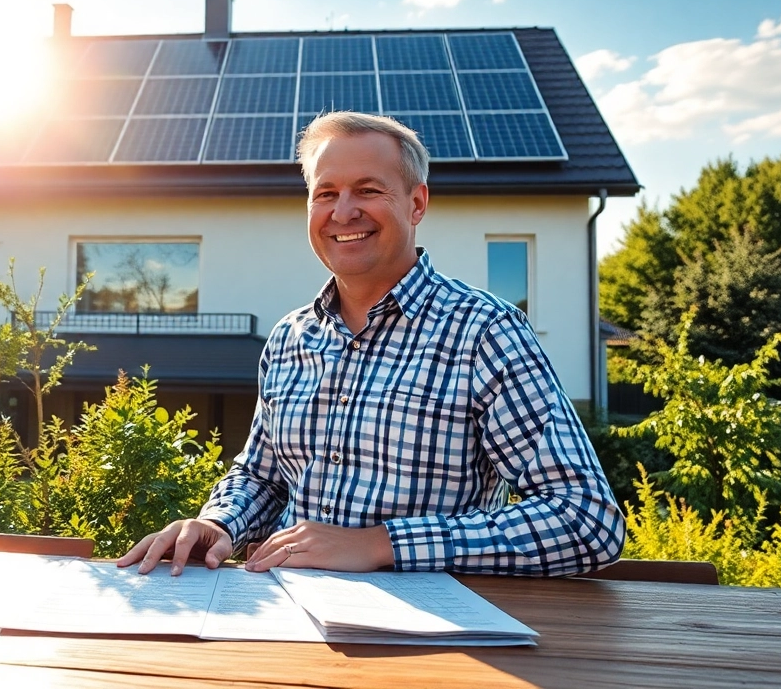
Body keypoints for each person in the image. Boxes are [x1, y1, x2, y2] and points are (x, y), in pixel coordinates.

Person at [117, 112, 625, 577]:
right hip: (286, 615)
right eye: (325, 193)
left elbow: (586, 520)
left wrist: (383, 544)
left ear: (417, 203)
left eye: (367, 190)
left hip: (429, 638)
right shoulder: (291, 338)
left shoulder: (484, 332)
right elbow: (263, 476)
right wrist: (219, 523)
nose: (343, 212)